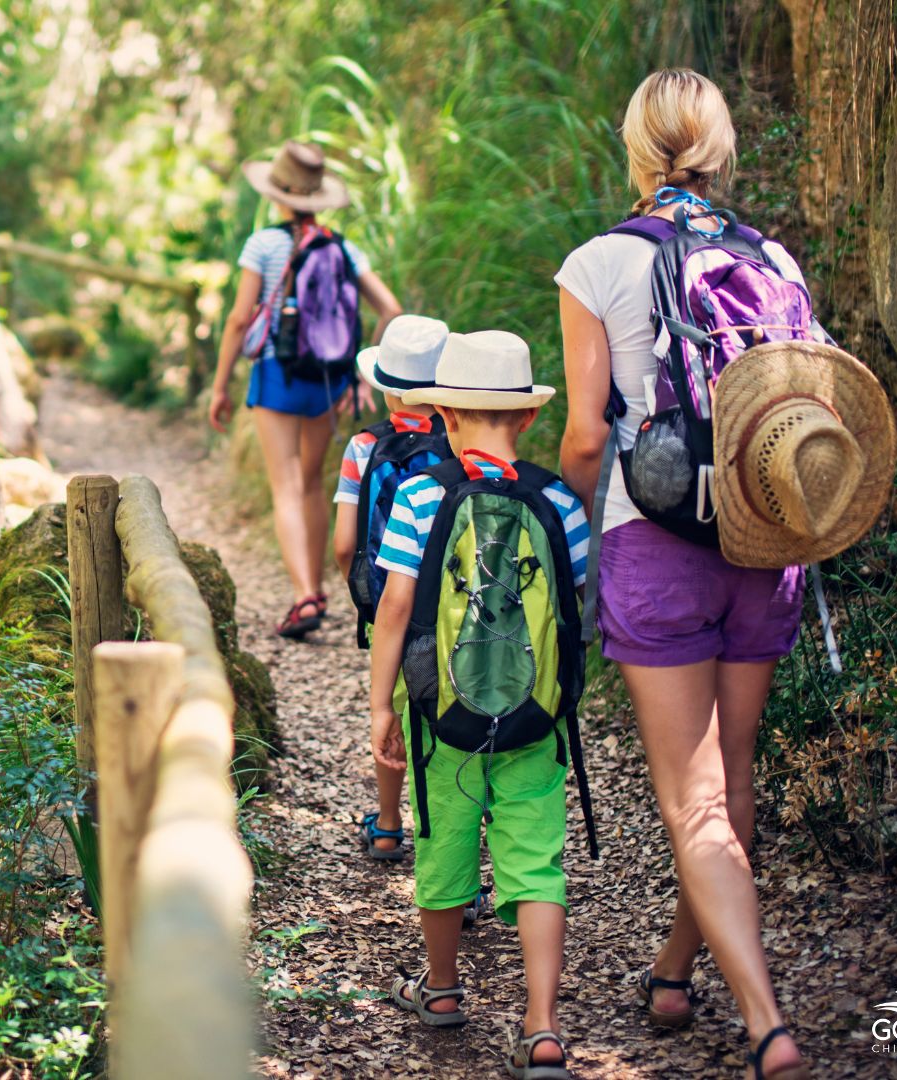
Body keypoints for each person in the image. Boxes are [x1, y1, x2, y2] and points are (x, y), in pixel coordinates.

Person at [555, 69, 812, 1080]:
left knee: (692, 800)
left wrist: (580, 511)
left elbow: (585, 435)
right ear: (719, 145)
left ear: (636, 147)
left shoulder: (598, 262)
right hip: (765, 535)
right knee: (730, 780)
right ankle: (675, 966)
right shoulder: (773, 258)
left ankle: (767, 1025)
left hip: (657, 539)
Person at [367, 330, 591, 1080]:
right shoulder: (559, 499)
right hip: (536, 717)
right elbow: (572, 606)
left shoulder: (421, 496)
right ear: (526, 419)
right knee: (535, 860)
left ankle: (439, 989)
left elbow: (396, 610)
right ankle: (543, 1025)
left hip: (442, 718)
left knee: (444, 842)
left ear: (446, 416)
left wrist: (380, 709)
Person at [209, 140, 403, 638]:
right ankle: (317, 585)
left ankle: (305, 596)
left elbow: (239, 319)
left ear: (277, 193)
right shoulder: (342, 247)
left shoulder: (265, 245)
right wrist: (362, 376)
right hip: (327, 377)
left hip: (277, 374)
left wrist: (220, 386)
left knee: (285, 485)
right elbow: (392, 311)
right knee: (313, 481)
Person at [334, 315, 449, 863]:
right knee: (449, 719)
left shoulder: (363, 447)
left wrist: (363, 594)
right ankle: (453, 851)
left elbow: (342, 541)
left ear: (385, 388)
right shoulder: (463, 444)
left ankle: (386, 823)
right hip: (454, 610)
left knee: (393, 712)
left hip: (390, 608)